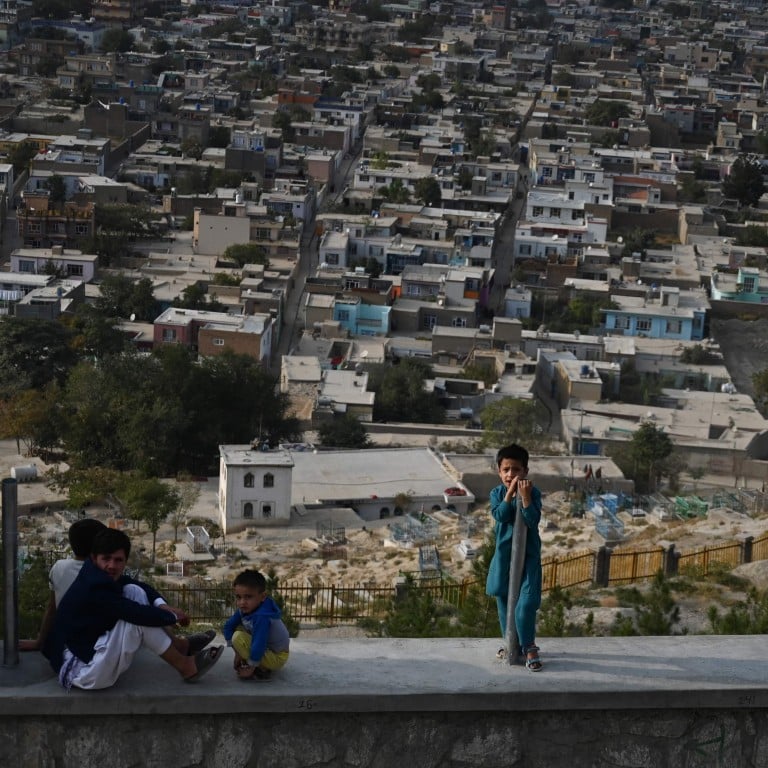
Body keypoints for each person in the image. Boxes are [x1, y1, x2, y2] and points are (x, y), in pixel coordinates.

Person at [43, 528, 223, 689]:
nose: (112, 565)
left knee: (133, 591)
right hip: (80, 669)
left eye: (118, 560)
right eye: (106, 559)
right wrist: (172, 617)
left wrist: (164, 606)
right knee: (137, 621)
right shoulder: (94, 584)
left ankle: (178, 645)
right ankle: (185, 666)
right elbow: (136, 614)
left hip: (88, 651)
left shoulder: (97, 572)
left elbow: (137, 586)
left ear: (125, 561)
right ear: (94, 558)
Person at [485, 443, 543, 671]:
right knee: (503, 602)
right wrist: (510, 494)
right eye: (506, 470)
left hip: (528, 558)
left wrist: (525, 497)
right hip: (504, 558)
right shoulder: (496, 493)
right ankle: (511, 644)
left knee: (525, 605)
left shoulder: (534, 492)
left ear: (525, 471)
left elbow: (532, 520)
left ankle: (529, 646)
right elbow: (500, 514)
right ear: (499, 471)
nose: (511, 475)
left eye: (516, 469)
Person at [21, 518, 106, 651]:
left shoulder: (59, 568)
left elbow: (51, 609)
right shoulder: (104, 573)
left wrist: (39, 642)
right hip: (97, 646)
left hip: (65, 646)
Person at [223, 569, 290, 681]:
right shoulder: (246, 610)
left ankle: (260, 669)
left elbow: (259, 642)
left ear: (263, 596)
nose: (242, 602)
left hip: (277, 657)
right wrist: (238, 654)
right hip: (268, 651)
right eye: (238, 597)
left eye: (248, 597)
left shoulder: (262, 616)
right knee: (237, 629)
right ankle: (258, 663)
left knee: (238, 637)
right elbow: (228, 627)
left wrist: (251, 667)